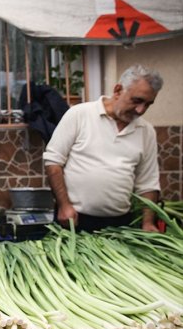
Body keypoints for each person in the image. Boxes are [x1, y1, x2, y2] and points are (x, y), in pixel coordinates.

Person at [43, 64, 163, 233]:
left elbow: (148, 183)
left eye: (148, 104)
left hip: (120, 224)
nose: (140, 110)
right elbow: (53, 161)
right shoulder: (80, 114)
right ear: (118, 90)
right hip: (74, 219)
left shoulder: (146, 131)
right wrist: (64, 205)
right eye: (136, 101)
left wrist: (148, 223)